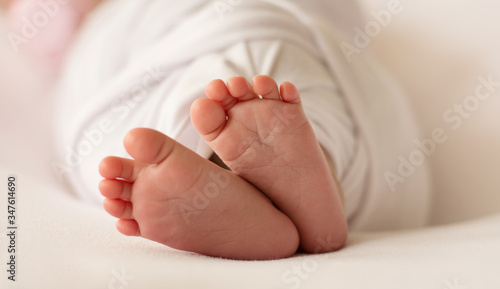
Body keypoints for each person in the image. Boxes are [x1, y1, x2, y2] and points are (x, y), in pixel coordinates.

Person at [5, 0, 432, 260]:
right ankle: (324, 178)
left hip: (154, 30)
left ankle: (232, 185)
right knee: (293, 85)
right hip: (278, 30)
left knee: (149, 122)